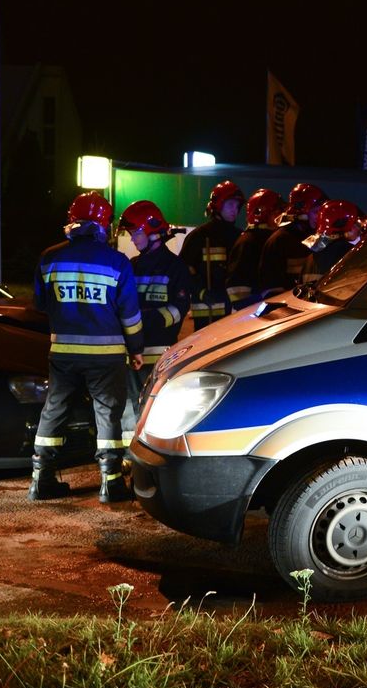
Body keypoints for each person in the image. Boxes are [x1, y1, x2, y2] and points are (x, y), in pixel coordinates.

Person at [31, 192, 144, 503]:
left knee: (54, 410)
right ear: (103, 225)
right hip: (106, 357)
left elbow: (40, 304)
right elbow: (130, 315)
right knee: (108, 414)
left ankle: (41, 479)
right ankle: (111, 483)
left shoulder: (49, 257)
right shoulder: (117, 262)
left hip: (63, 354)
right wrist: (136, 348)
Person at [116, 200, 192, 447]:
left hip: (159, 354)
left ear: (154, 233)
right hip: (132, 352)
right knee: (129, 408)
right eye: (130, 233)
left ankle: (153, 455)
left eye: (136, 233)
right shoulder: (132, 266)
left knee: (155, 410)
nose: (133, 239)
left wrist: (139, 321)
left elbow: (177, 311)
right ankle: (130, 458)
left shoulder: (175, 266)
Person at [180, 180, 243, 329]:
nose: (235, 209)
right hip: (206, 315)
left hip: (235, 314)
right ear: (218, 206)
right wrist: (201, 293)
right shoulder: (199, 237)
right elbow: (183, 270)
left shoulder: (240, 237)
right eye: (230, 204)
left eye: (237, 205)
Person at [257, 182, 326, 298]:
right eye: (315, 212)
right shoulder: (279, 241)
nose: (319, 217)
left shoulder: (317, 239)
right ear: (301, 212)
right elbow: (270, 288)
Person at [224, 187, 285, 309]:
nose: (281, 216)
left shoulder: (271, 239)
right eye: (276, 212)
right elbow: (236, 292)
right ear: (261, 213)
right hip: (250, 315)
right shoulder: (248, 243)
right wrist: (261, 300)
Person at [299, 199, 362, 285]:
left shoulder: (310, 259)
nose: (359, 229)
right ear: (343, 225)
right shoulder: (352, 254)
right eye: (355, 223)